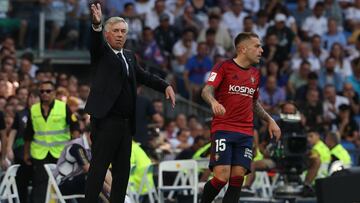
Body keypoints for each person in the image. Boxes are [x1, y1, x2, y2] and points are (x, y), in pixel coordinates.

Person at [85, 3, 176, 203]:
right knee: (99, 168)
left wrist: (165, 86)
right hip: (106, 120)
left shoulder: (129, 56)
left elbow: (144, 76)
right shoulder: (102, 53)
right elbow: (95, 42)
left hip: (126, 123)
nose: (120, 35)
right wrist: (97, 24)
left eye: (123, 31)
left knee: (122, 171)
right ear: (107, 34)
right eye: (116, 31)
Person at [200, 32, 281, 203]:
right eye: (257, 46)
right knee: (221, 177)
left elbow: (254, 102)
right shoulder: (223, 67)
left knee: (238, 178)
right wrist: (214, 102)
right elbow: (206, 91)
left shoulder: (256, 74)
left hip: (245, 132)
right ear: (243, 49)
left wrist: (270, 120)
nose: (261, 50)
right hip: (223, 129)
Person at [23, 81, 80, 203]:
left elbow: (75, 127)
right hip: (40, 152)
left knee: (63, 183)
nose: (45, 94)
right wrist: (26, 153)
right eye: (42, 91)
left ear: (53, 93)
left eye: (48, 91)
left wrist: (74, 147)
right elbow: (28, 133)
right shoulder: (33, 109)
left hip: (61, 152)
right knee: (41, 183)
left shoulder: (63, 107)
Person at [54, 126, 112, 202]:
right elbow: (89, 169)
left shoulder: (92, 147)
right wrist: (108, 189)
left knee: (104, 171)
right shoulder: (76, 146)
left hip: (77, 181)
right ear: (89, 134)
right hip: (62, 184)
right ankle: (115, 195)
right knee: (92, 178)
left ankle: (117, 195)